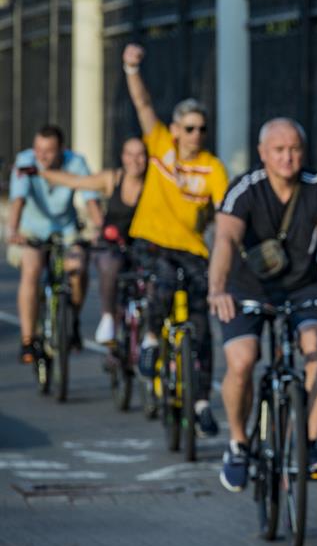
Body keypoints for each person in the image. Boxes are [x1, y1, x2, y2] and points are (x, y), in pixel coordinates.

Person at [208, 118, 317, 491]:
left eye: (295, 149)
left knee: (316, 349)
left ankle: (310, 446)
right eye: (279, 150)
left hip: (303, 287)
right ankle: (238, 444)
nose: (288, 158)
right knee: (242, 360)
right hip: (246, 287)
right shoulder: (244, 189)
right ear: (262, 154)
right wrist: (218, 288)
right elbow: (224, 240)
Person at [122, 42, 229, 438]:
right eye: (189, 128)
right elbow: (143, 105)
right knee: (162, 284)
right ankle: (150, 340)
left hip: (193, 249)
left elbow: (225, 212)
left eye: (201, 128)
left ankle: (200, 402)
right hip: (152, 241)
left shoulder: (212, 166)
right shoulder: (161, 145)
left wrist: (228, 254)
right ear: (176, 129)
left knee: (201, 324)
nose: (195, 134)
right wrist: (131, 68)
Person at [34, 137, 147, 345]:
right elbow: (77, 182)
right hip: (112, 244)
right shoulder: (112, 179)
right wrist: (43, 173)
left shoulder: (153, 183)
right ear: (122, 157)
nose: (135, 160)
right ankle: (108, 318)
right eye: (130, 154)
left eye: (140, 155)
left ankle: (151, 335)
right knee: (109, 265)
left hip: (141, 244)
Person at [7, 125, 103, 363]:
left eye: (48, 151)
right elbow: (18, 200)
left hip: (66, 230)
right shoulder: (25, 162)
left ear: (62, 149)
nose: (42, 156)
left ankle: (72, 320)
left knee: (77, 268)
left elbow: (91, 198)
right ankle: (28, 340)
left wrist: (99, 228)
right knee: (32, 269)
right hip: (32, 229)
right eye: (38, 149)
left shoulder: (75, 162)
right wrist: (13, 230)